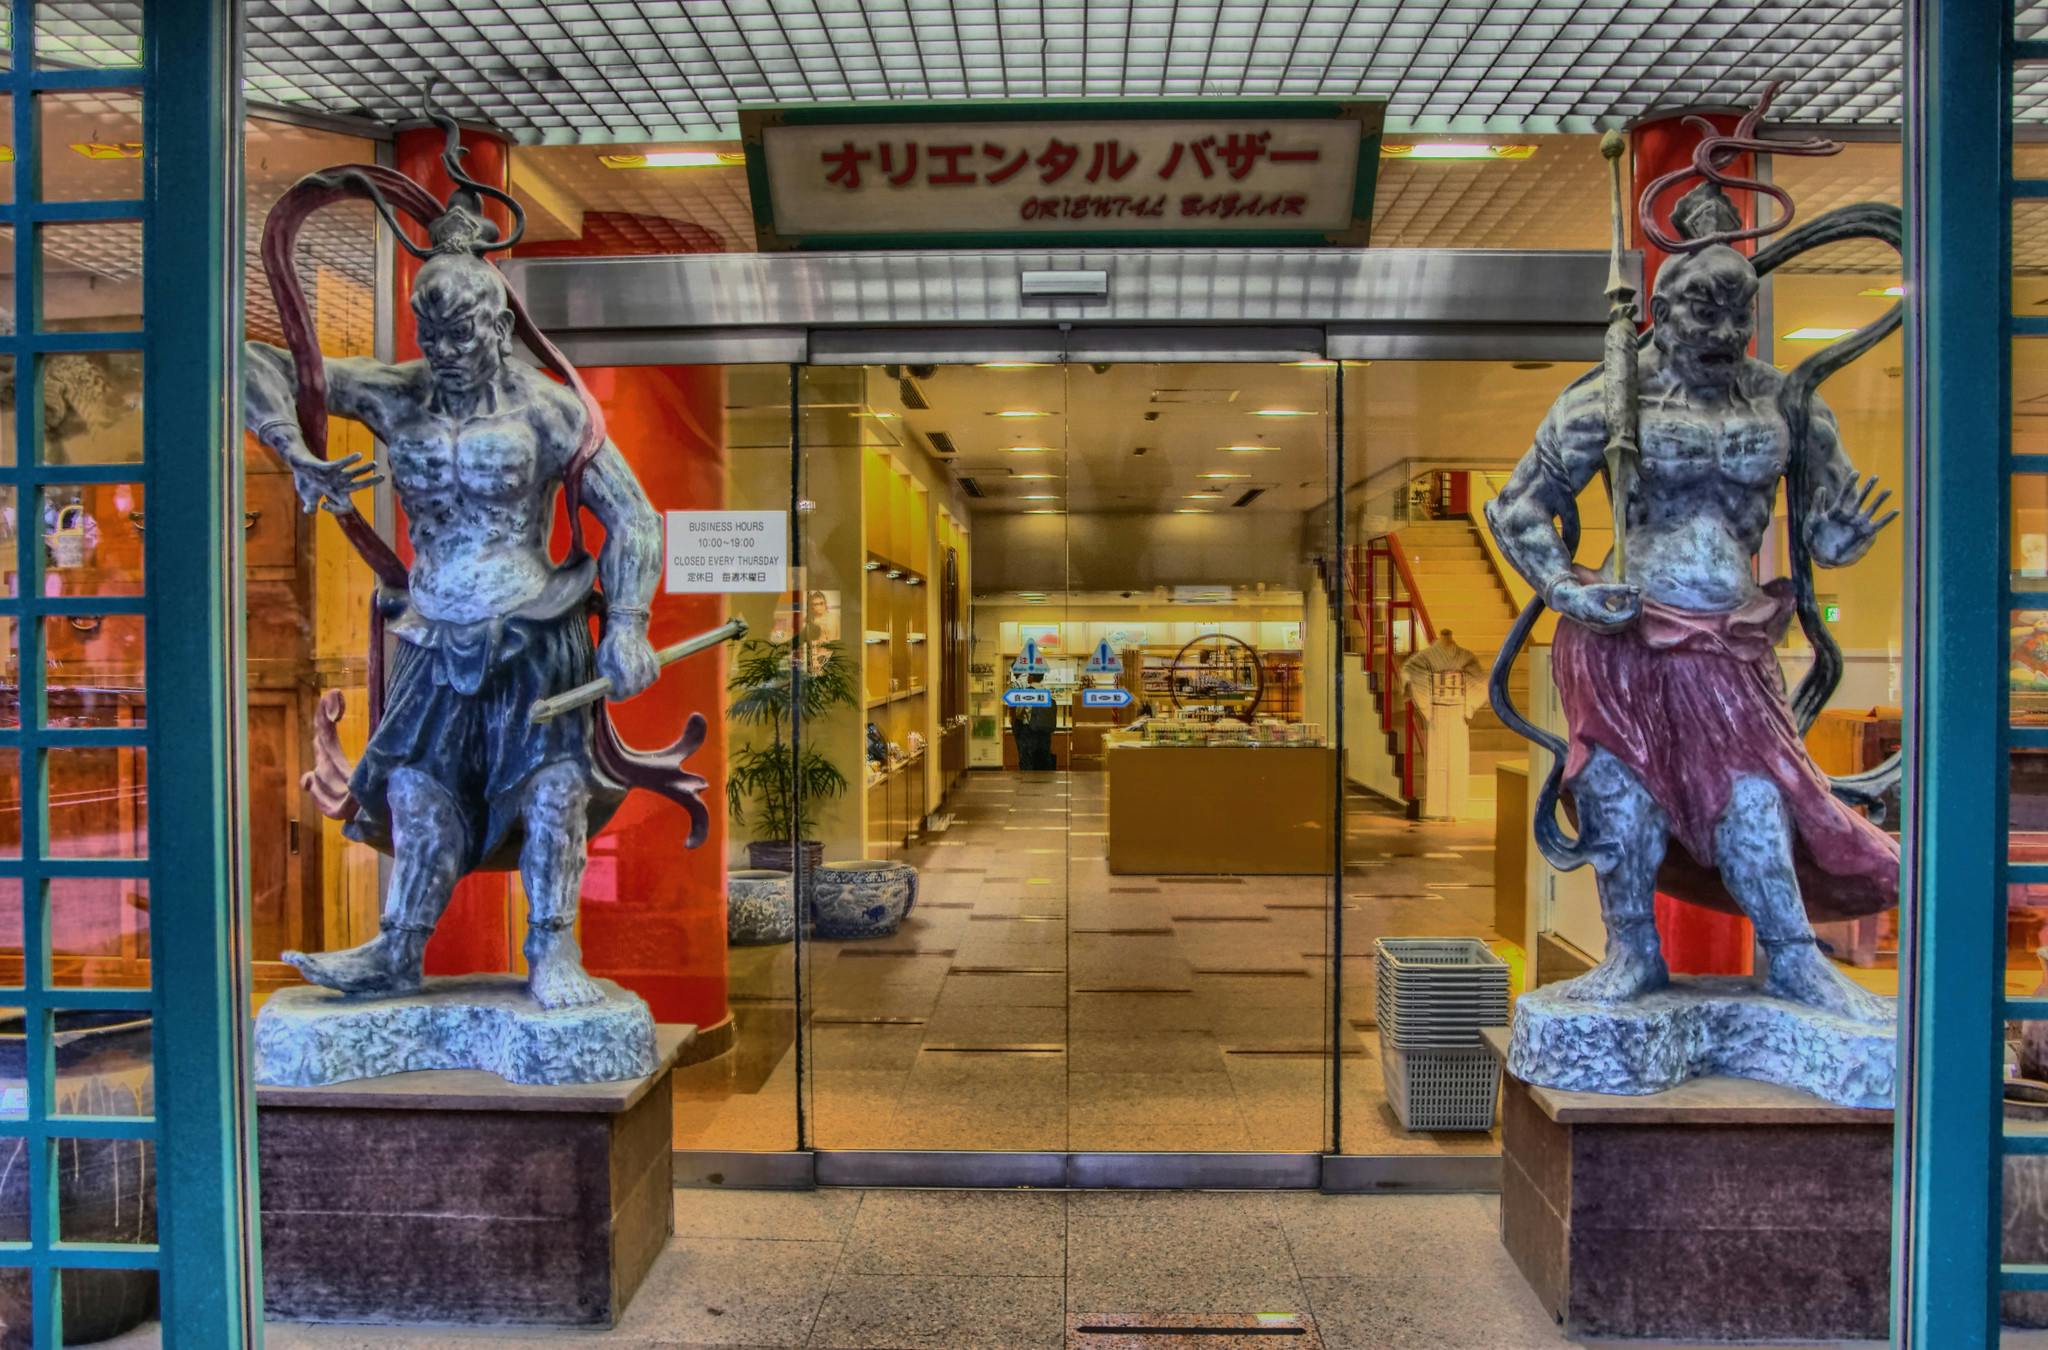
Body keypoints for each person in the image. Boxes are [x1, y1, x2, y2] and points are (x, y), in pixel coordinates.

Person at [242, 130, 668, 1011]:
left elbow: (631, 514)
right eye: (430, 331)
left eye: (462, 330)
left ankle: (554, 950)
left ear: (497, 321)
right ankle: (399, 951)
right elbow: (250, 364)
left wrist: (627, 623)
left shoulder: (549, 413)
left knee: (554, 794)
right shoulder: (397, 394)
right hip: (432, 629)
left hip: (533, 628)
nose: (445, 348)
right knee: (416, 793)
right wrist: (292, 450)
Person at [1487, 182, 1898, 1025]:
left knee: (1756, 796)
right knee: (1618, 791)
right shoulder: (1611, 396)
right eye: (1697, 320)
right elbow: (1517, 507)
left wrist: (1837, 543)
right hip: (1625, 633)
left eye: (1733, 320)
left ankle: (1791, 954)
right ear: (1662, 314)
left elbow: (1825, 524)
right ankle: (1631, 950)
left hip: (1731, 643)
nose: (1716, 338)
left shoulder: (1786, 402)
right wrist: (1567, 586)